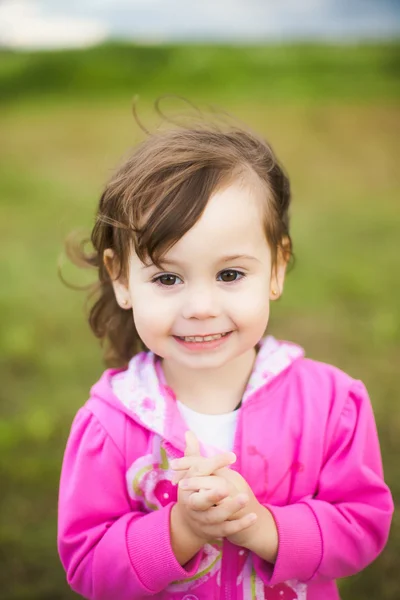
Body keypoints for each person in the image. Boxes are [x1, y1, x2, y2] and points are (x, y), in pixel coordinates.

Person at [58, 108, 393, 600]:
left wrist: (261, 525)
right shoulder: (109, 425)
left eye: (230, 275)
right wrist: (182, 530)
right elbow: (87, 567)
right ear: (121, 278)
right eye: (168, 278)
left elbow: (362, 528)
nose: (201, 308)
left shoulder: (332, 404)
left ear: (277, 267)